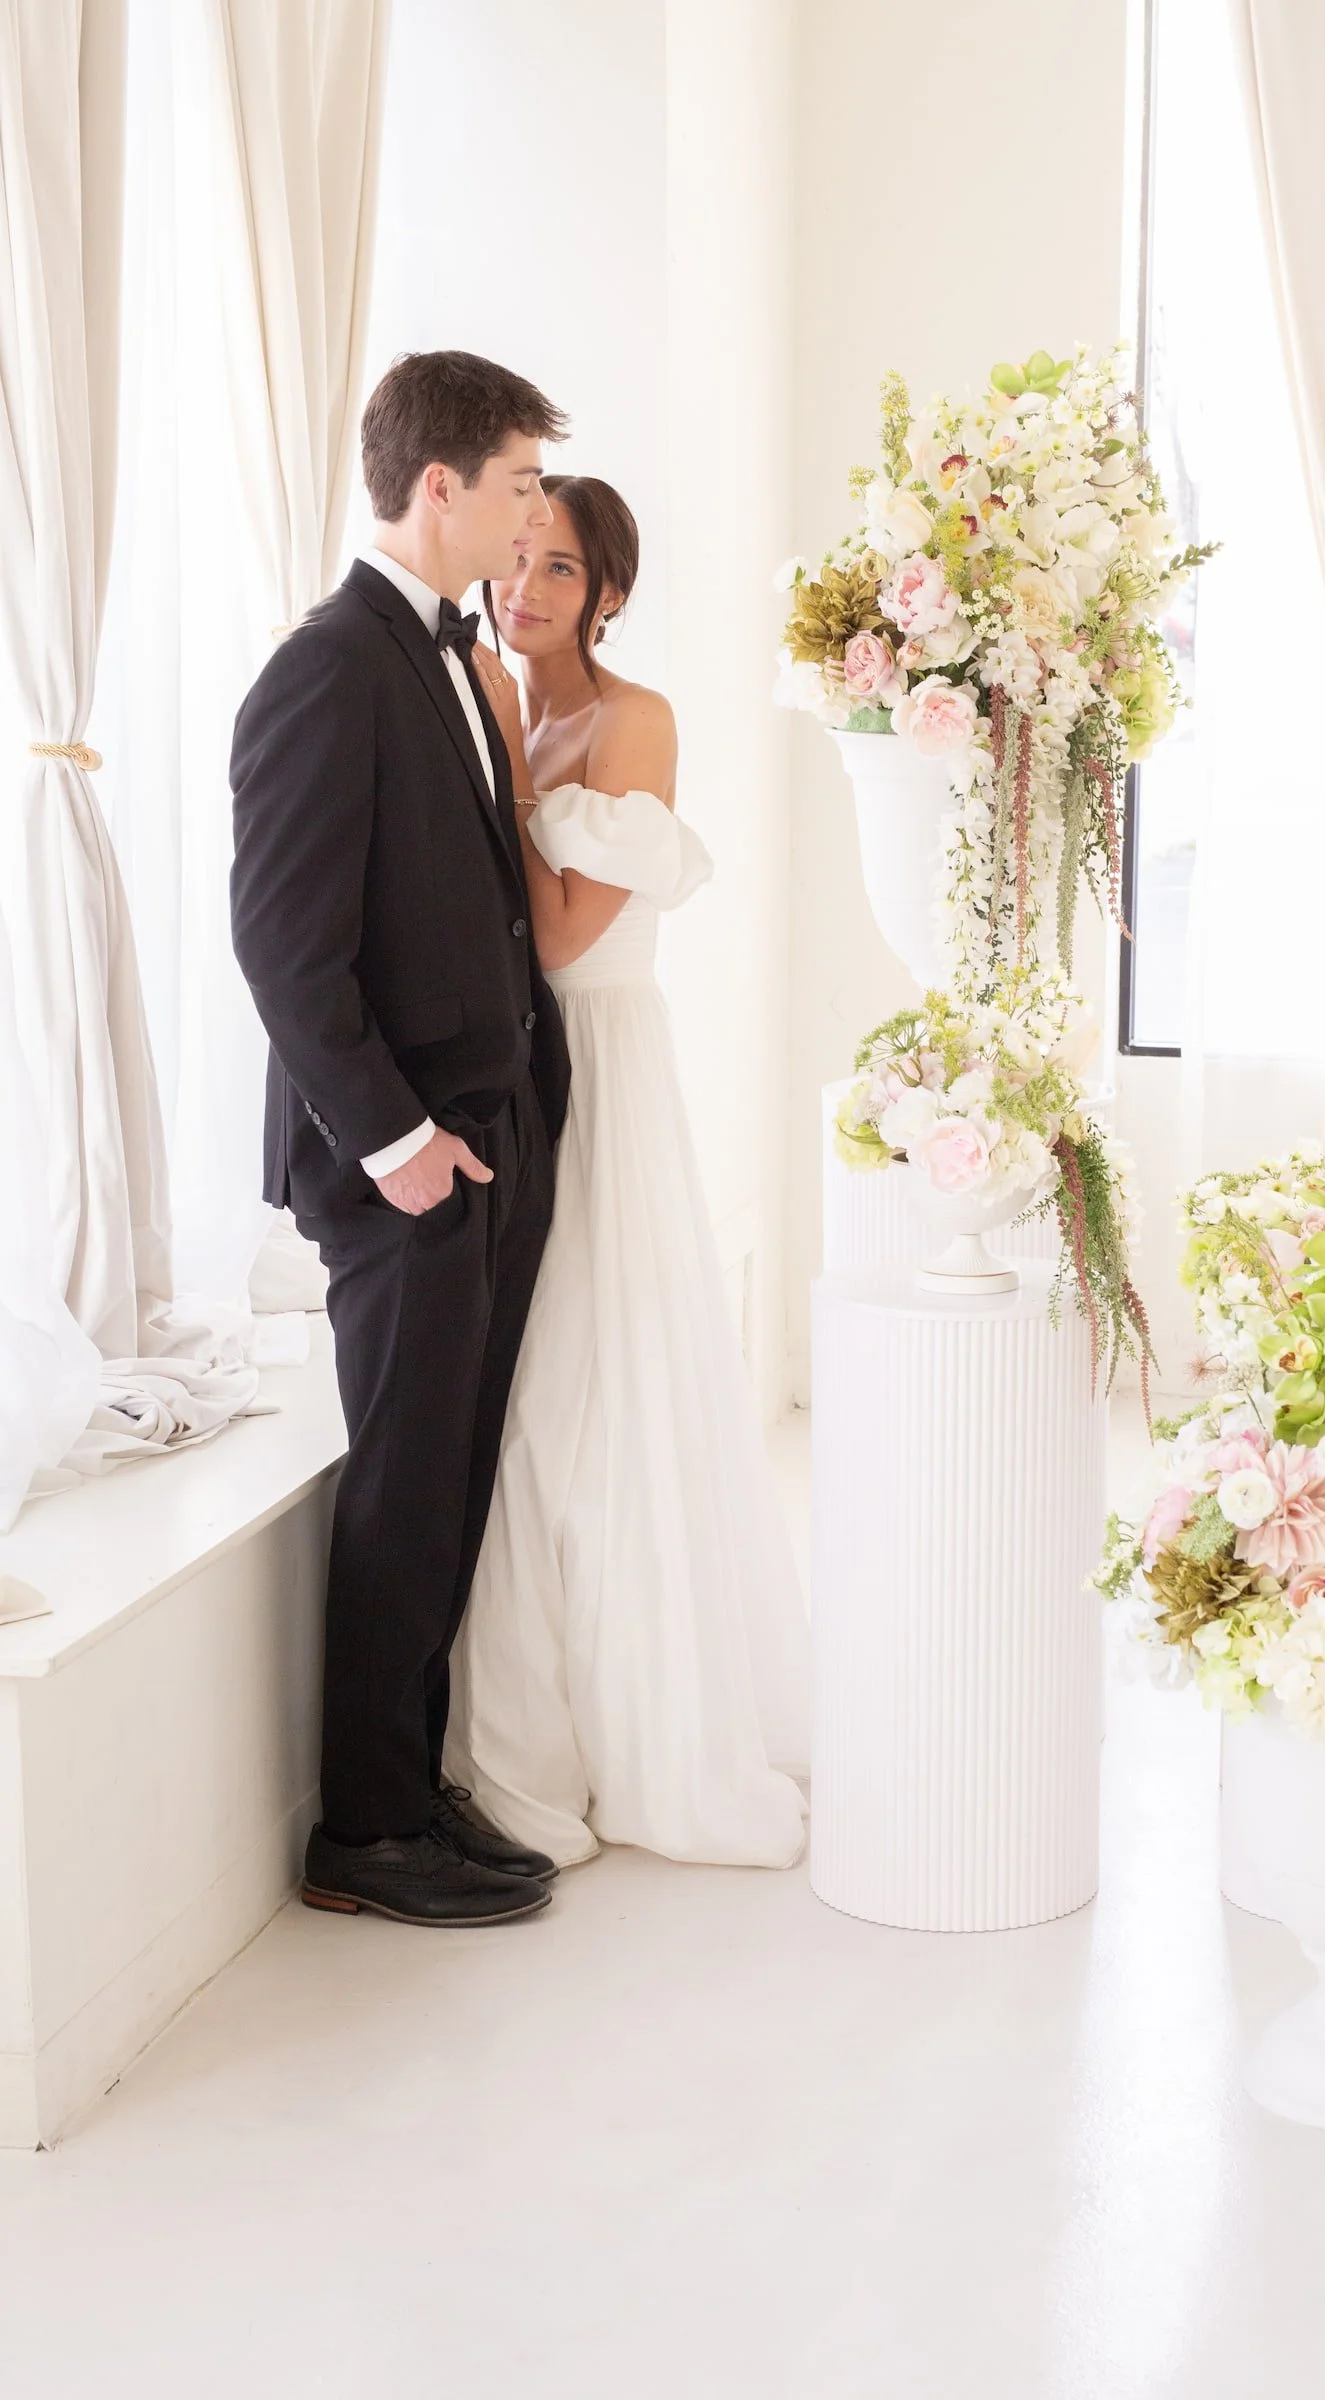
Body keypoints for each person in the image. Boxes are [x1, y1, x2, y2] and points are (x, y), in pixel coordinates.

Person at [230, 351, 574, 1926]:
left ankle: (411, 1782)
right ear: (437, 485)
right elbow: (286, 949)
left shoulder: (443, 654)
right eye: (516, 486)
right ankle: (365, 1828)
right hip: (407, 1169)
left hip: (488, 1134)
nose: (529, 519)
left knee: (451, 1474)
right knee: (406, 1478)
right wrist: (398, 1147)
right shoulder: (327, 665)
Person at [442, 474, 809, 1868]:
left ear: (607, 592)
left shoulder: (632, 718)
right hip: (515, 1078)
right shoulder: (488, 697)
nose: (524, 589)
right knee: (529, 1404)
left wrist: (512, 770)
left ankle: (630, 1737)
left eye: (558, 570)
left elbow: (558, 938)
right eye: (514, 560)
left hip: (599, 1068)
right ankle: (531, 1738)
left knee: (585, 1402)